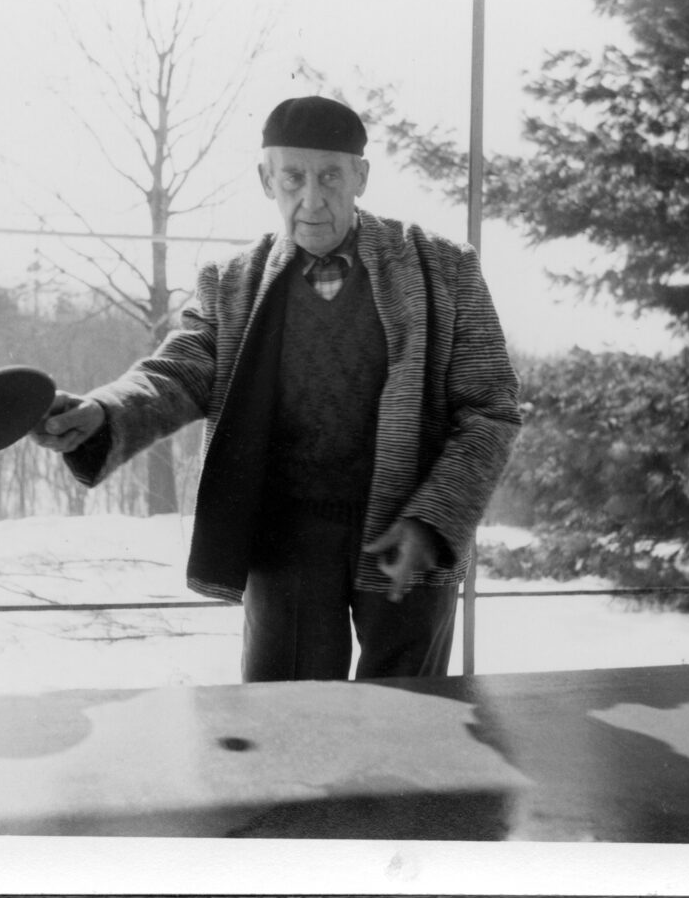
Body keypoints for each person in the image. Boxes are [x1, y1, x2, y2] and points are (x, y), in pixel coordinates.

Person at [32, 96, 521, 682]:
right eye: (293, 177)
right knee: (283, 727)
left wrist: (433, 521)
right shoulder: (230, 282)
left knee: (410, 725)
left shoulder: (445, 269)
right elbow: (178, 372)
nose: (311, 199)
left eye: (331, 176)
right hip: (284, 541)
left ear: (360, 177)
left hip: (408, 532)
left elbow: (491, 412)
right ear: (267, 179)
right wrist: (103, 411)